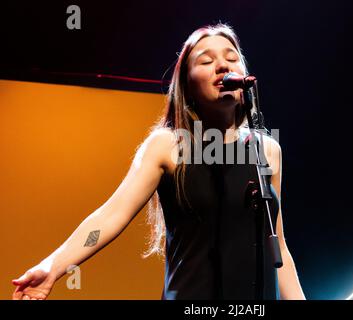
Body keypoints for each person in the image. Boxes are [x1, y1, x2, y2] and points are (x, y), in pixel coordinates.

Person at [11, 23, 306, 300]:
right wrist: (53, 266)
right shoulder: (168, 145)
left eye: (232, 58)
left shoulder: (266, 150)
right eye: (206, 61)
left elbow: (277, 244)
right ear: (187, 85)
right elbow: (112, 214)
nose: (223, 65)